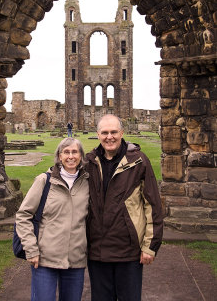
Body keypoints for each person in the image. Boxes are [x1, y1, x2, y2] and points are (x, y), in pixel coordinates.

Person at [85, 114, 163, 301]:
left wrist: (150, 246)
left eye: (113, 132)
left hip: (128, 251)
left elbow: (152, 205)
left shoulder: (138, 161)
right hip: (98, 251)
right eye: (105, 132)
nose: (109, 137)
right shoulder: (89, 163)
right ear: (98, 135)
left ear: (122, 133)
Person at [15, 137, 89, 301]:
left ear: (81, 156)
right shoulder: (45, 180)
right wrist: (31, 249)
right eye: (66, 152)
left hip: (75, 259)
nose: (71, 156)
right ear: (59, 156)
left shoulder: (87, 182)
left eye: (75, 152)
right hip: (44, 258)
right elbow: (23, 215)